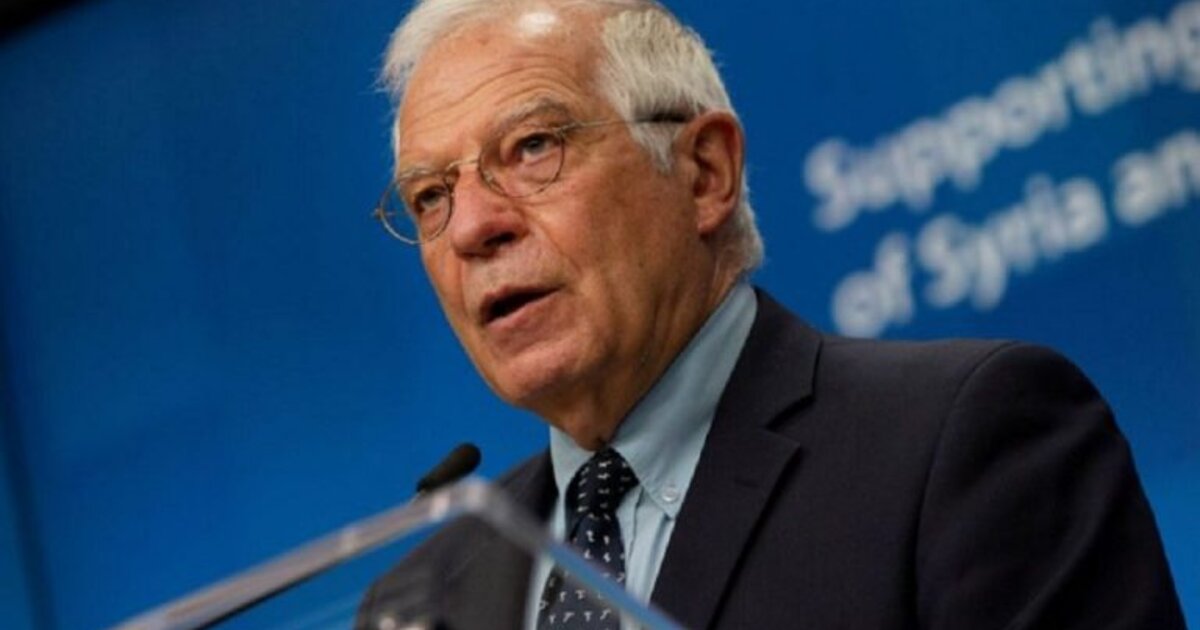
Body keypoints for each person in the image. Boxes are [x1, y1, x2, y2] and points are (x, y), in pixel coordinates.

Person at [358, 0, 1186, 628]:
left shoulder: (962, 444)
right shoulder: (421, 599)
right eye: (430, 196)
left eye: (534, 147)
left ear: (705, 173)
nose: (470, 228)